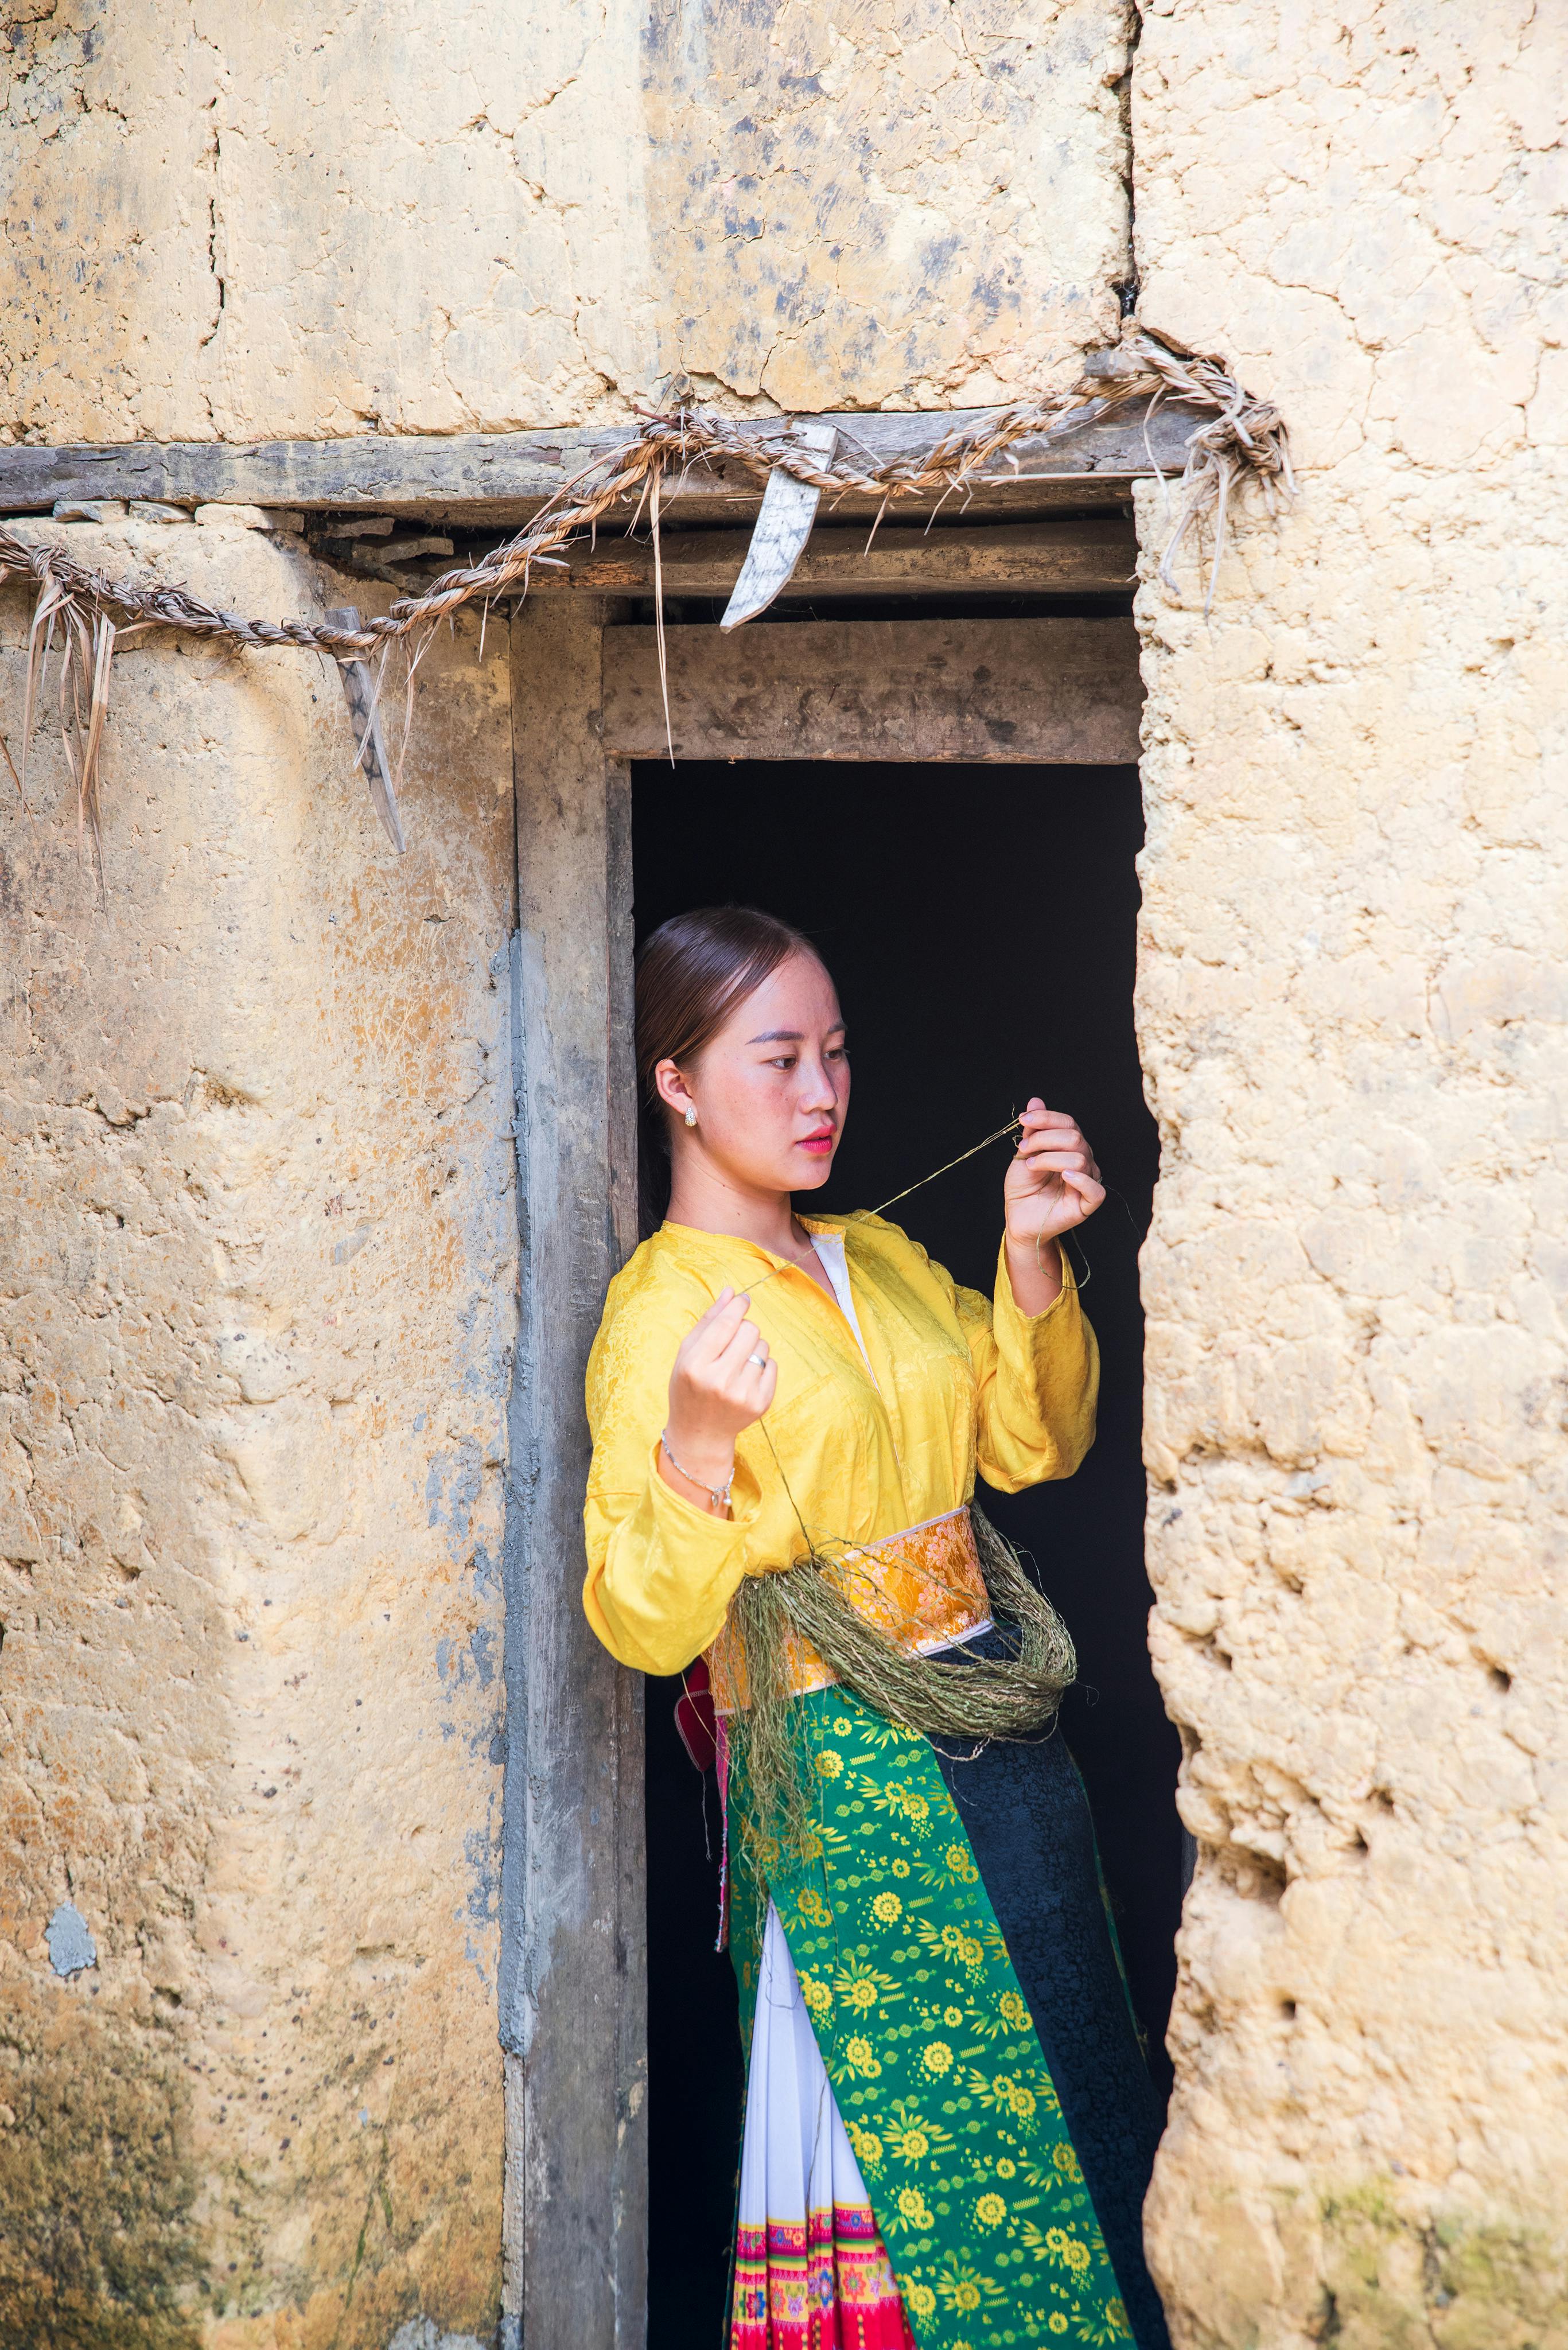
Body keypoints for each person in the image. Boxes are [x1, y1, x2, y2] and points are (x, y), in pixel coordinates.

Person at [583, 906, 1172, 2350]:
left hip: (1009, 1749)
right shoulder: (658, 1311)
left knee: (1072, 2082)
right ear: (676, 1081)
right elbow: (643, 1620)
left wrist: (1029, 1258)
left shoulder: (883, 1256)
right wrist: (697, 1446)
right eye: (775, 1058)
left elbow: (1035, 1440)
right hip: (849, 1795)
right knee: (918, 2134)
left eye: (833, 1055)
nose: (821, 1093)